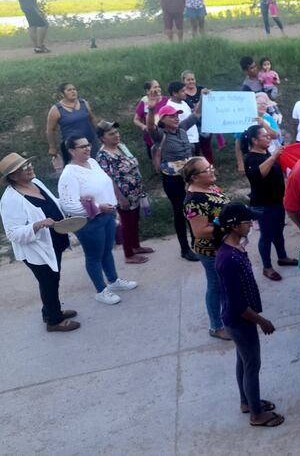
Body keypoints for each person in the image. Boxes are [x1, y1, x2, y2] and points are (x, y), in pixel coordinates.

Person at [213, 202, 284, 427]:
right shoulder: (228, 259)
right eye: (248, 222)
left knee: (243, 361)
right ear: (234, 226)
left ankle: (247, 401)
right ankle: (256, 414)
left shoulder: (234, 248)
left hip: (239, 319)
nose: (252, 224)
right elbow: (237, 305)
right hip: (241, 321)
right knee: (252, 365)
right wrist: (262, 321)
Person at [1, 153, 79, 332]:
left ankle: (51, 311)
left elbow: (53, 202)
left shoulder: (35, 183)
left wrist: (70, 206)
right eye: (24, 168)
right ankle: (54, 321)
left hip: (53, 242)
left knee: (53, 279)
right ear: (13, 176)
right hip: (37, 251)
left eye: (28, 164)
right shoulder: (10, 200)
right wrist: (37, 225)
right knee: (48, 282)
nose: (30, 168)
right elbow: (13, 233)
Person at [58, 136, 138, 305]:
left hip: (107, 216)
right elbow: (68, 205)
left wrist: (111, 208)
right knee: (94, 256)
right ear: (71, 151)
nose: (87, 149)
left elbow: (104, 185)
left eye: (88, 145)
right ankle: (101, 290)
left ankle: (113, 280)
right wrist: (97, 208)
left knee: (107, 251)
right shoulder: (69, 174)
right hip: (89, 222)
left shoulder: (93, 163)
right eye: (81, 147)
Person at [146, 100, 202, 261]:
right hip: (172, 180)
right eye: (171, 117)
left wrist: (204, 98)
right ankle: (185, 249)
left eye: (176, 115)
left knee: (192, 210)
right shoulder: (160, 135)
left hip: (189, 178)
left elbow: (196, 114)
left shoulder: (182, 129)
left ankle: (195, 243)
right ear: (163, 120)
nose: (176, 118)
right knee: (180, 212)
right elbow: (150, 127)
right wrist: (151, 109)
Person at [182, 157, 230, 341]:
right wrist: (230, 226)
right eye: (206, 169)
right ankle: (216, 326)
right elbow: (200, 231)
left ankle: (229, 316)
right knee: (216, 287)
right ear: (194, 178)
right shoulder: (194, 200)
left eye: (211, 166)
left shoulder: (208, 187)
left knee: (225, 286)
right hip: (212, 252)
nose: (212, 170)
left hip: (224, 247)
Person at [242, 124, 297, 281]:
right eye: (264, 136)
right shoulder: (251, 158)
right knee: (266, 236)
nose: (268, 138)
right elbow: (258, 176)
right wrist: (274, 156)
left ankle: (282, 257)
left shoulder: (266, 154)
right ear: (254, 140)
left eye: (268, 135)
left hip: (277, 201)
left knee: (278, 231)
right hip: (263, 204)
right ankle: (267, 267)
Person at [95, 120, 153, 264]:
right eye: (111, 134)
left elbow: (133, 164)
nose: (116, 135)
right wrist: (120, 198)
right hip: (123, 194)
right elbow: (109, 179)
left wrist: (141, 186)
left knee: (135, 220)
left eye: (116, 132)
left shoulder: (121, 146)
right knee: (127, 223)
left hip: (136, 190)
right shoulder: (103, 156)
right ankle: (129, 254)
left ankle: (136, 246)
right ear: (102, 138)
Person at [46, 83, 99, 171]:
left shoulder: (83, 103)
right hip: (73, 147)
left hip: (90, 142)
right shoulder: (56, 109)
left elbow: (92, 118)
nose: (73, 91)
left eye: (74, 89)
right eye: (69, 90)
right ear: (62, 94)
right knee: (79, 169)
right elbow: (50, 130)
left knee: (96, 165)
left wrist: (99, 133)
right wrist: (52, 147)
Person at [235, 92, 281, 174]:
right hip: (254, 158)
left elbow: (275, 135)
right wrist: (240, 163)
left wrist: (264, 124)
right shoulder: (244, 120)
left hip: (271, 155)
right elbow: (238, 143)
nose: (262, 105)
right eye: (259, 103)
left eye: (265, 103)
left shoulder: (269, 118)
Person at [180, 70, 216, 164]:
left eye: (193, 79)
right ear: (183, 81)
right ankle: (198, 169)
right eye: (188, 80)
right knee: (195, 148)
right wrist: (201, 99)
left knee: (206, 147)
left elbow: (211, 104)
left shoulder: (201, 89)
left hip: (204, 123)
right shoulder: (183, 94)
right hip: (190, 126)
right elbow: (194, 110)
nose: (191, 81)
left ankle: (210, 166)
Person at [133, 80, 168, 159]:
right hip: (151, 137)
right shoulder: (144, 102)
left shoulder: (166, 100)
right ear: (148, 91)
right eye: (155, 87)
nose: (158, 89)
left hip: (166, 137)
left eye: (159, 86)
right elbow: (136, 119)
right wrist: (143, 126)